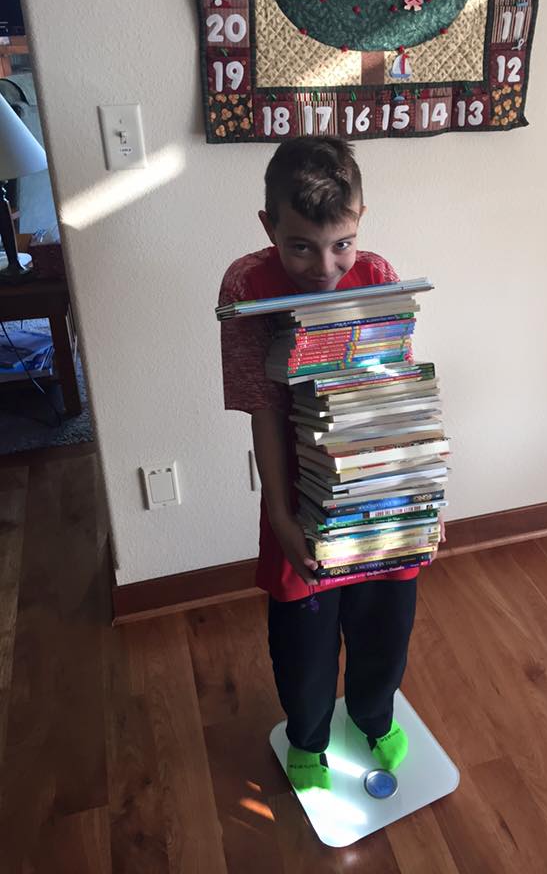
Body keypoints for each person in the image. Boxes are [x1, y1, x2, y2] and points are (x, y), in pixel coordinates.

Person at [219, 136, 420, 792]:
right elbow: (262, 408)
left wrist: (418, 497)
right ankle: (307, 735)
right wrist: (280, 515)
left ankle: (373, 715)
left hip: (379, 484)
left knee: (385, 619)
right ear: (268, 226)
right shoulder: (247, 284)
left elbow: (396, 397)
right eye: (301, 246)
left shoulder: (378, 273)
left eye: (342, 244)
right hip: (300, 488)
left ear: (359, 219)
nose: (325, 267)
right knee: (303, 633)